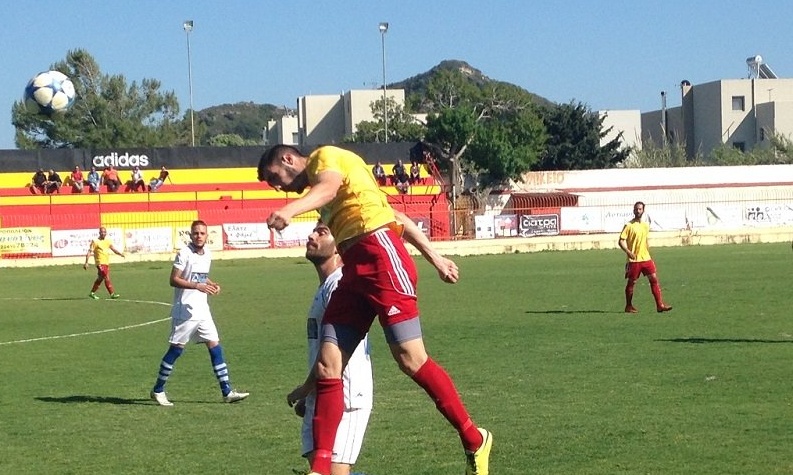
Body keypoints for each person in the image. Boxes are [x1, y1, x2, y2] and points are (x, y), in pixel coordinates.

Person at [258, 144, 492, 475]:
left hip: (382, 256)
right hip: (354, 270)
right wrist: (437, 258)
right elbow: (397, 216)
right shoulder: (339, 193)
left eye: (275, 178)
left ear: (288, 160)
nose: (278, 186)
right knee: (328, 364)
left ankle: (474, 438)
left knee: (411, 359)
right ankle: (321, 469)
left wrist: (290, 209)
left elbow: (329, 188)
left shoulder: (324, 159)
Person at [288, 222, 373, 475]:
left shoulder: (339, 286)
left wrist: (305, 389)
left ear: (340, 246)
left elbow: (334, 356)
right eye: (313, 231)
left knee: (332, 472)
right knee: (320, 469)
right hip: (324, 392)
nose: (311, 235)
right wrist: (311, 395)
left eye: (322, 232)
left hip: (345, 396)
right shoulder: (327, 286)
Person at [149, 220, 249, 407]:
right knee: (176, 349)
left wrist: (211, 284)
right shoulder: (184, 253)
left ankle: (227, 391)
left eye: (202, 233)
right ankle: (158, 390)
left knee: (215, 346)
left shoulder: (207, 254)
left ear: (207, 235)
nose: (199, 236)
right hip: (185, 311)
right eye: (196, 233)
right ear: (190, 235)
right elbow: (174, 279)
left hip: (202, 310)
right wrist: (198, 286)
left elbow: (200, 276)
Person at [618, 201, 673, 314]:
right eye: (636, 209)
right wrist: (628, 252)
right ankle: (628, 306)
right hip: (634, 260)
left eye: (640, 209)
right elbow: (621, 241)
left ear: (643, 210)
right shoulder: (629, 225)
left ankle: (660, 305)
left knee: (654, 279)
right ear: (633, 210)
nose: (638, 211)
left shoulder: (645, 225)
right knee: (631, 283)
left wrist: (648, 253)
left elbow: (645, 241)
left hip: (646, 258)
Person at [83, 226, 125, 299]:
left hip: (106, 263)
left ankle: (92, 293)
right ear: (99, 233)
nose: (103, 233)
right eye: (102, 232)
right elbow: (90, 251)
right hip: (99, 263)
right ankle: (112, 294)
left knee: (100, 278)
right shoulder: (95, 241)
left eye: (104, 232)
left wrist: (120, 254)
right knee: (106, 276)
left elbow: (113, 249)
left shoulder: (108, 241)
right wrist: (86, 262)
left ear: (106, 233)